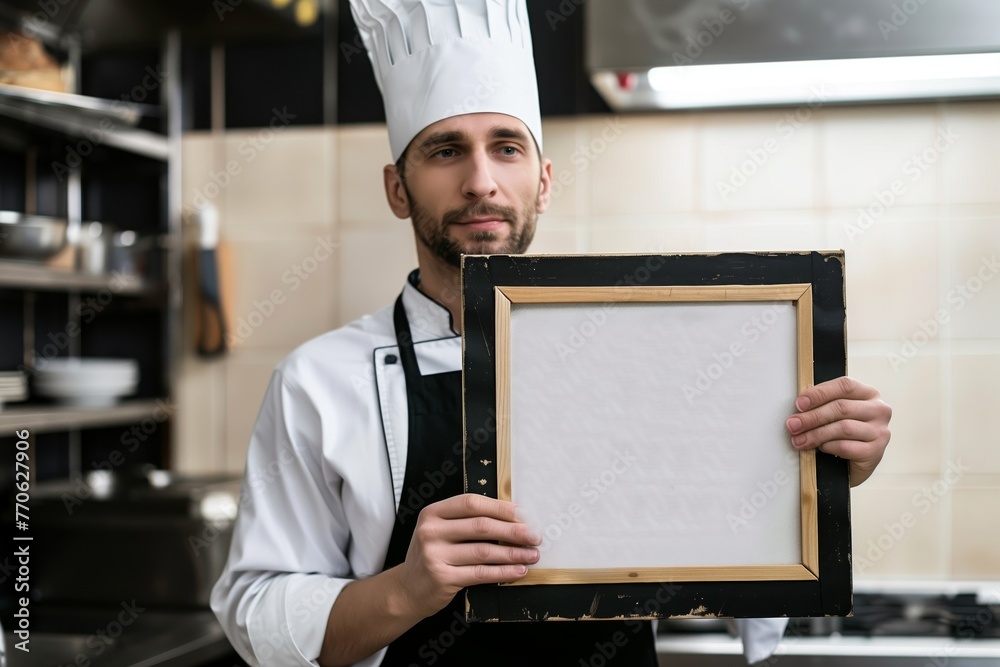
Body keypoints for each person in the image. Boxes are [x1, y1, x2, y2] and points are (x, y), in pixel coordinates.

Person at [210, 2, 893, 665]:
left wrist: (816, 465)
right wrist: (406, 589)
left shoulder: (641, 353)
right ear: (397, 188)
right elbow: (258, 615)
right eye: (446, 150)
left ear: (543, 182)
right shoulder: (320, 383)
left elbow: (718, 524)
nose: (481, 182)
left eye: (505, 148)